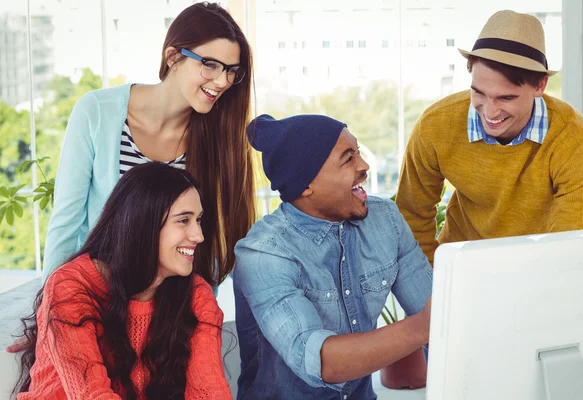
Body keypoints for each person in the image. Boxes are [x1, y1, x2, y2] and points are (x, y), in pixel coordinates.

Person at [43, 2, 255, 289]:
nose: (222, 81)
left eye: (231, 70)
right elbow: (66, 225)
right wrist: (50, 310)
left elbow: (209, 241)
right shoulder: (96, 111)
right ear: (172, 57)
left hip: (173, 308)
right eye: (210, 65)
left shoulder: (220, 135)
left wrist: (202, 317)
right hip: (100, 297)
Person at [233, 114, 433, 399]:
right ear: (305, 186)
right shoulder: (264, 252)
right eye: (347, 158)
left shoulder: (385, 219)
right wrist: (425, 326)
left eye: (358, 152)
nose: (364, 166)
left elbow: (433, 307)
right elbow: (318, 360)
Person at [395, 10, 583, 265]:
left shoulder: (573, 137)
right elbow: (411, 216)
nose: (490, 112)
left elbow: (574, 238)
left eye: (506, 98)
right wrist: (430, 286)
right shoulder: (435, 126)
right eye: (479, 93)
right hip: (462, 265)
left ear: (539, 86)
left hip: (541, 269)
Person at [14, 162, 232, 400]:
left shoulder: (196, 294)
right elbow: (92, 395)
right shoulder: (71, 286)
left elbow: (210, 391)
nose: (198, 236)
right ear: (143, 224)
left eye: (199, 220)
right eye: (183, 220)